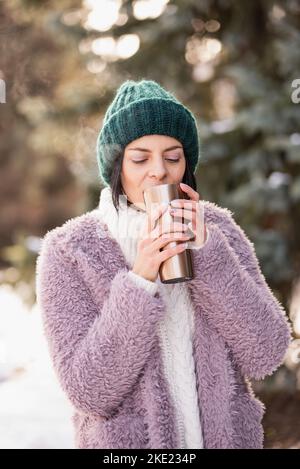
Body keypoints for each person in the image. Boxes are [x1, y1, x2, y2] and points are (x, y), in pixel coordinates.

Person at [35, 79, 291, 449]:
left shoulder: (217, 231)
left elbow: (266, 351)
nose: (159, 171)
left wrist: (209, 256)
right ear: (116, 165)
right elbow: (88, 392)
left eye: (173, 157)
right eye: (140, 158)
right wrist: (139, 281)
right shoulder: (71, 251)